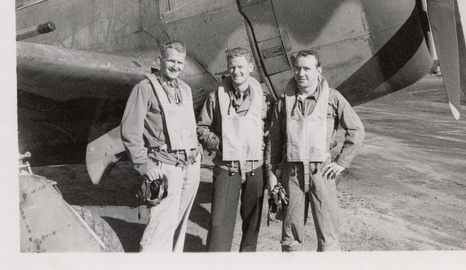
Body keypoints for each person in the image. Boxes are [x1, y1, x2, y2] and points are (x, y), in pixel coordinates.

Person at [266, 49, 365, 251]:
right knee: (290, 238)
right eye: (297, 68)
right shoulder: (283, 102)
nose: (301, 74)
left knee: (328, 238)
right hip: (291, 174)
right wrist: (272, 174)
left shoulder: (333, 98)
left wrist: (341, 162)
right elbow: (274, 142)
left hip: (322, 173)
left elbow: (357, 130)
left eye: (307, 69)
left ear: (318, 71)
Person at [121, 41, 201, 252]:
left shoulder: (185, 89)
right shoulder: (144, 88)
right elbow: (130, 132)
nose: (175, 66)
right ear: (160, 61)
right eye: (171, 61)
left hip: (190, 168)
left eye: (179, 62)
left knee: (178, 228)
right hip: (165, 168)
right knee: (159, 230)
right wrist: (145, 166)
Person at [197, 47, 273, 252]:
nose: (236, 71)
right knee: (219, 224)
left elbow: (270, 131)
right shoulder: (215, 97)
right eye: (232, 67)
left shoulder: (264, 99)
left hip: (255, 169)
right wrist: (220, 144)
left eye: (240, 67)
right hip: (226, 168)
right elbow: (201, 128)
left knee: (252, 225)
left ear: (250, 67)